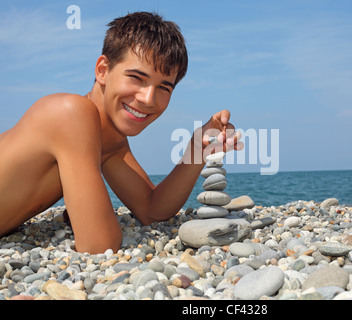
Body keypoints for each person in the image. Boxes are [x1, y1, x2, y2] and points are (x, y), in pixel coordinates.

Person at [0, 12, 242, 253]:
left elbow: (151, 210)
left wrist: (197, 149)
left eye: (163, 88)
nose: (147, 99)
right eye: (137, 78)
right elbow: (99, 246)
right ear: (103, 70)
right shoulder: (70, 113)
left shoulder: (112, 142)